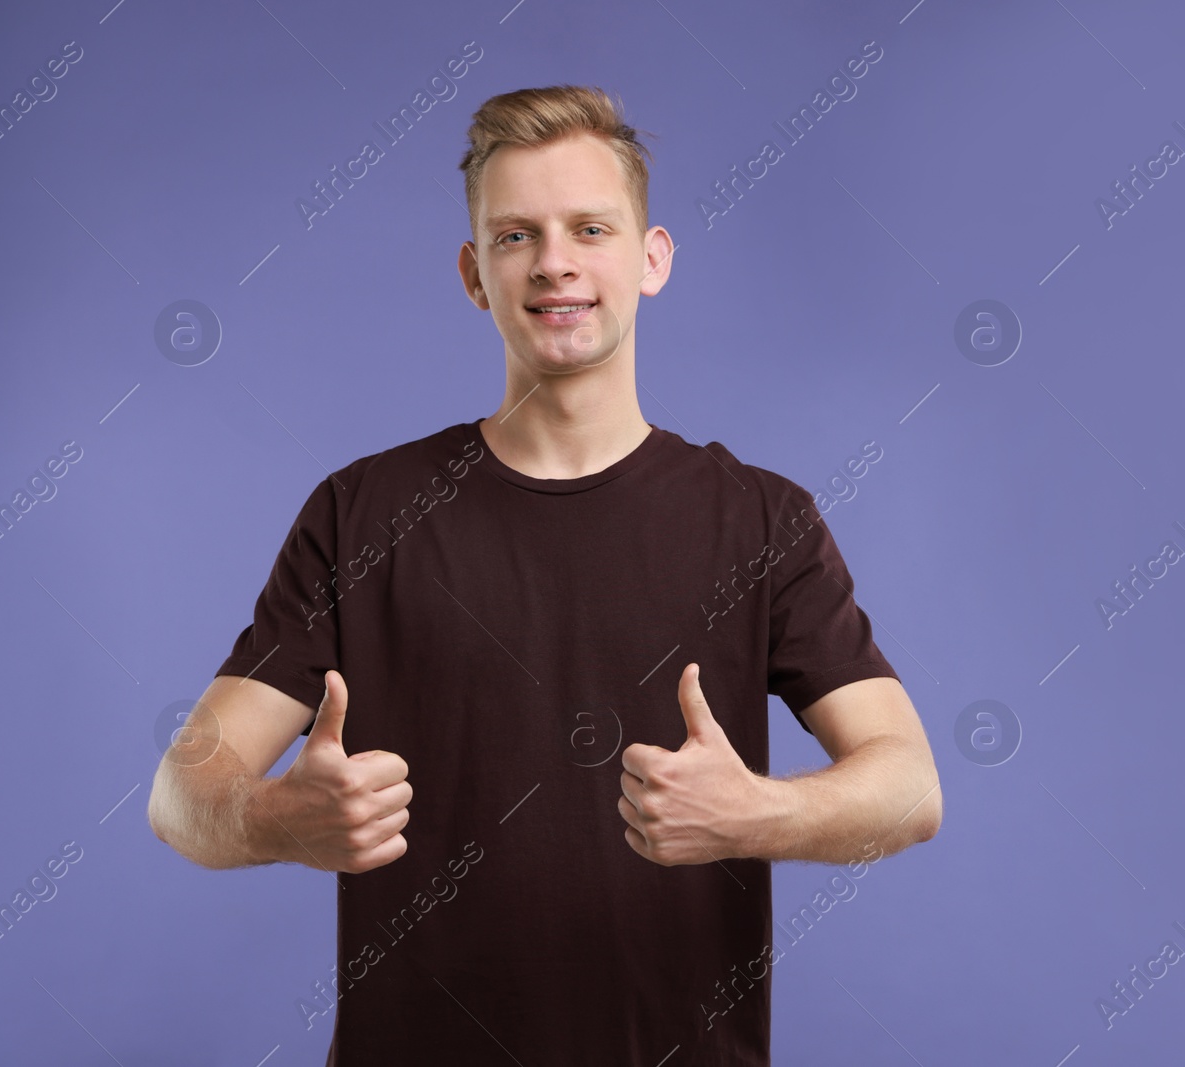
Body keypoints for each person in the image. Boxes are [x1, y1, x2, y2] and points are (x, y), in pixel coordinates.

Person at [147, 84, 942, 1065]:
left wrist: (756, 812)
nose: (555, 262)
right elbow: (182, 790)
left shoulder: (761, 519)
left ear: (651, 260)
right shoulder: (363, 511)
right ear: (475, 273)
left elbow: (909, 786)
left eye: (590, 228)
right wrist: (270, 814)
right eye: (515, 235)